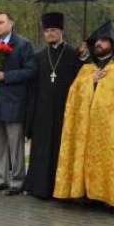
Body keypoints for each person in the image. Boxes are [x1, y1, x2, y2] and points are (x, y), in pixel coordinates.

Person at [54, 21, 114, 212]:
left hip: (112, 130)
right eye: (97, 41)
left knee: (112, 162)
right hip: (86, 128)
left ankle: (113, 198)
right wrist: (90, 82)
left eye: (104, 41)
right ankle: (85, 194)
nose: (99, 44)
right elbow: (73, 95)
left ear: (113, 44)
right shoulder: (87, 70)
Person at [23, 13, 82, 199]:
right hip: (42, 112)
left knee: (59, 149)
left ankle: (60, 190)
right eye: (47, 31)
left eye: (54, 30)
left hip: (64, 110)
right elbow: (32, 88)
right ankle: (39, 188)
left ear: (61, 31)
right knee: (41, 150)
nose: (50, 34)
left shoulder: (74, 55)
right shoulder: (39, 56)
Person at [0, 12, 37, 195]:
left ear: (11, 23)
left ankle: (18, 180)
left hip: (14, 102)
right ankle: (0, 178)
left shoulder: (23, 45)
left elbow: (30, 71)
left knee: (15, 144)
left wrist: (6, 76)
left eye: (1, 22)